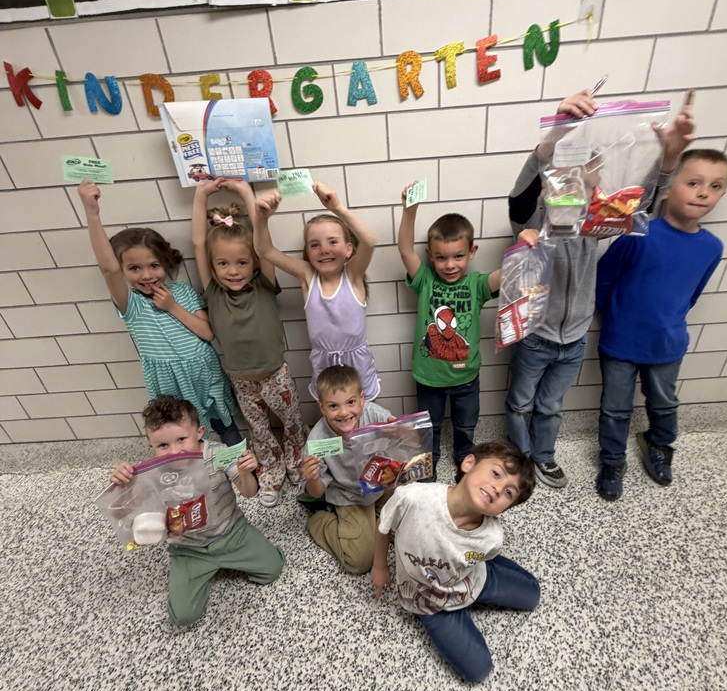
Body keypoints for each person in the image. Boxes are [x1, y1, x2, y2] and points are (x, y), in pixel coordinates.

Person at [504, 89, 696, 488]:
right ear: (548, 185)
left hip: (573, 338)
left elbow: (640, 206)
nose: (577, 186)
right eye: (565, 178)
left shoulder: (595, 225)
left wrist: (668, 160)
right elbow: (518, 200)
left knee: (551, 406)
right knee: (520, 403)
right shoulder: (536, 222)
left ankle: (544, 455)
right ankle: (520, 457)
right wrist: (554, 137)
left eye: (588, 179)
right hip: (535, 335)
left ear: (598, 188)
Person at [594, 149, 727, 501]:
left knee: (665, 402)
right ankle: (612, 460)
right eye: (694, 183)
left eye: (715, 186)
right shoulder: (637, 234)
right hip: (619, 341)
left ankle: (659, 445)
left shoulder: (712, 247)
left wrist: (666, 322)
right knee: (615, 407)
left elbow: (692, 294)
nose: (703, 193)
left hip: (667, 345)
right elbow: (603, 279)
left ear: (722, 194)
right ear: (669, 188)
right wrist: (615, 316)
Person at [77, 179, 239, 443]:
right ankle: (198, 475)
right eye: (135, 269)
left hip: (205, 373)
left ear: (165, 263)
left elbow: (208, 333)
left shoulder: (183, 292)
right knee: (183, 434)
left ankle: (241, 468)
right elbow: (109, 269)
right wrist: (92, 213)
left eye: (154, 265)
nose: (147, 275)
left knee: (225, 424)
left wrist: (172, 306)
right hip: (169, 383)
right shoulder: (132, 305)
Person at [372, 441, 539, 683]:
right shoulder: (413, 497)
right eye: (496, 473)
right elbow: (383, 525)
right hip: (430, 603)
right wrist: (379, 566)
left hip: (472, 580)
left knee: (533, 595)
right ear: (469, 463)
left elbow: (485, 553)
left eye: (508, 493)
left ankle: (488, 574)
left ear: (506, 508)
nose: (498, 488)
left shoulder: (492, 538)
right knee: (478, 671)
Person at [109, 395, 284, 627]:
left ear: (200, 432)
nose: (174, 451)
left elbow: (249, 493)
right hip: (188, 547)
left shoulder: (218, 453)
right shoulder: (152, 472)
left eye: (182, 439)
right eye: (163, 445)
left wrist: (244, 473)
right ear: (150, 445)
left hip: (232, 532)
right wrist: (124, 485)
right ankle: (207, 568)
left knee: (273, 569)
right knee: (183, 616)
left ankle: (224, 562)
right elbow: (122, 513)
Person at [191, 178, 307, 508]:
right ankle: (271, 470)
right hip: (242, 380)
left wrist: (246, 193)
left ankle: (296, 461)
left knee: (293, 423)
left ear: (254, 263)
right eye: (223, 263)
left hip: (276, 375)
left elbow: (263, 244)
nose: (233, 271)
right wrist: (200, 196)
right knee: (258, 432)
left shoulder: (264, 284)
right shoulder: (213, 292)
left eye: (242, 262)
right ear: (213, 267)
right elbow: (199, 244)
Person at [398, 192, 501, 473]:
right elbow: (406, 250)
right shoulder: (426, 280)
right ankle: (427, 462)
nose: (450, 264)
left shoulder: (477, 285)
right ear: (430, 255)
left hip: (466, 377)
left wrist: (529, 248)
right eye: (441, 257)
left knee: (466, 425)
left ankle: (464, 459)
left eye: (458, 256)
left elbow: (507, 274)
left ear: (472, 252)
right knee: (428, 427)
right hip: (429, 377)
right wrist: (410, 209)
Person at [252, 181, 380, 400]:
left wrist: (337, 208)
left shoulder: (352, 275)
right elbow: (265, 251)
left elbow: (369, 241)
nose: (324, 250)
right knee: (334, 416)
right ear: (308, 252)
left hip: (357, 364)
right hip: (324, 365)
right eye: (315, 244)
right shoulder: (308, 275)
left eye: (332, 241)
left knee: (362, 413)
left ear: (349, 249)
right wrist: (262, 219)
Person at [300, 365, 394, 575]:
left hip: (381, 485)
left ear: (362, 399)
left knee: (412, 526)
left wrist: (404, 432)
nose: (344, 412)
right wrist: (312, 477)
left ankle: (376, 519)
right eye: (333, 406)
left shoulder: (376, 414)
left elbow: (406, 445)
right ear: (322, 407)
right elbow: (316, 491)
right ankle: (320, 522)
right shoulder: (317, 441)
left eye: (350, 402)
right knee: (360, 561)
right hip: (349, 495)